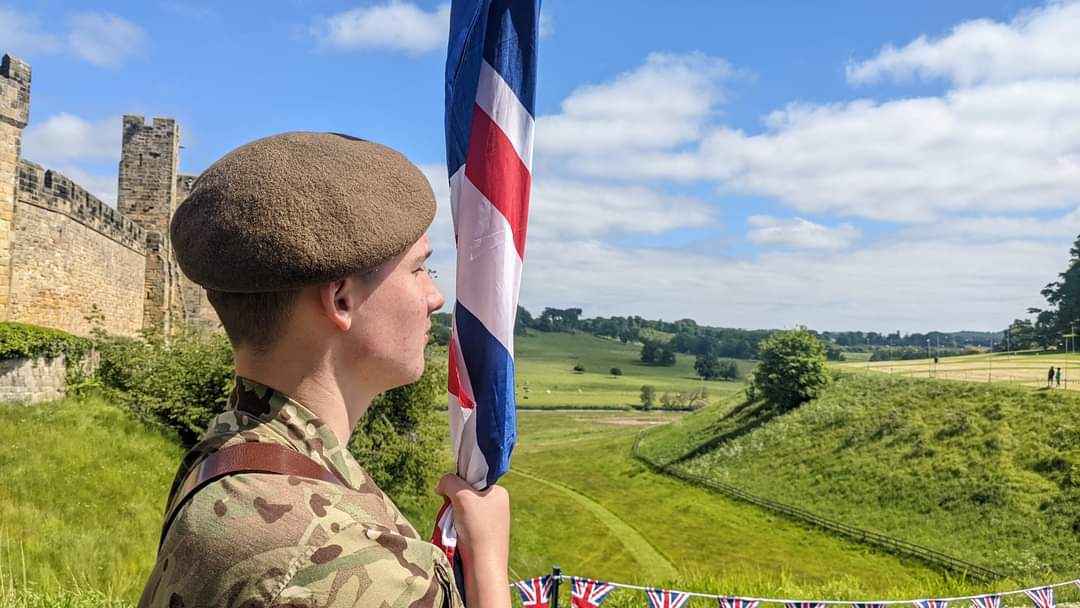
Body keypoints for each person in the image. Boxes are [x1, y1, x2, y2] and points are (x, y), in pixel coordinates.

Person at [138, 132, 509, 608]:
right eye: (419, 270)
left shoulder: (224, 456)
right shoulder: (341, 569)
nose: (435, 299)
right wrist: (490, 566)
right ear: (341, 299)